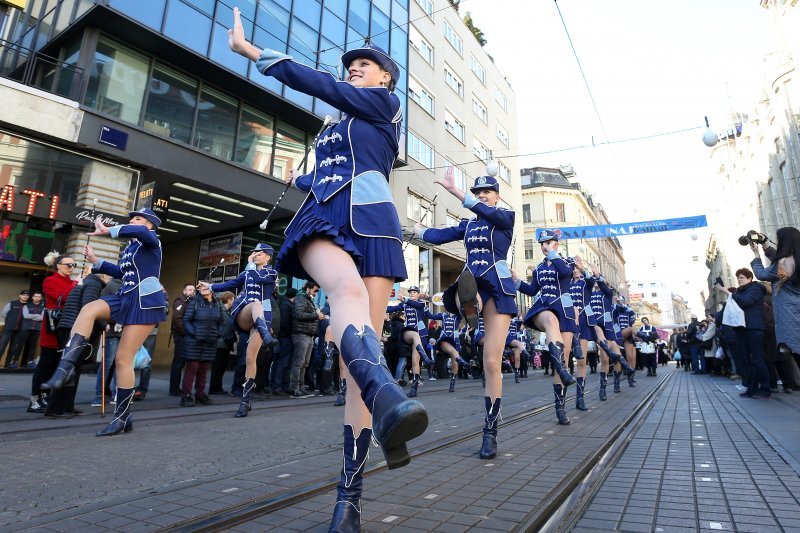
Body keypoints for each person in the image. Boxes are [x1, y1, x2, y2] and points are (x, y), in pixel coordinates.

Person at [229, 13, 428, 531]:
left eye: (366, 65)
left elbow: (321, 84)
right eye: (353, 66)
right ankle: (389, 397)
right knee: (343, 294)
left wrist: (257, 54)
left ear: (385, 78)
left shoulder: (385, 104)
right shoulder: (336, 124)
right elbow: (320, 176)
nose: (356, 69)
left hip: (374, 223)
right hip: (325, 217)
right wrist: (299, 179)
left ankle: (350, 496)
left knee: (357, 369)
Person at [415, 167, 517, 458]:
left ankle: (490, 430)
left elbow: (492, 215)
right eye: (477, 192)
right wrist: (412, 229)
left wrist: (456, 192)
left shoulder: (504, 219)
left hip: (498, 287)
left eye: (487, 192)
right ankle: (469, 310)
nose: (482, 195)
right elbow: (438, 235)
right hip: (475, 282)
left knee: (492, 364)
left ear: (497, 196)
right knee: (465, 290)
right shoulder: (469, 225)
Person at [42, 208, 168, 437]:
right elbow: (122, 272)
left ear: (150, 224)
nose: (132, 221)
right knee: (89, 308)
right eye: (131, 219)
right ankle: (66, 367)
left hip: (145, 302)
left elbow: (139, 233)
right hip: (126, 296)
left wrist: (108, 229)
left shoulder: (152, 241)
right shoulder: (132, 247)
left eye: (138, 218)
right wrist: (95, 261)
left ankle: (122, 417)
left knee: (122, 360)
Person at [199, 243, 277, 417]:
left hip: (262, 318)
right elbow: (231, 283)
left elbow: (259, 278)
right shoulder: (248, 271)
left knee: (250, 359)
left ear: (268, 257)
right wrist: (210, 287)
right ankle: (266, 334)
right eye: (253, 252)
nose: (255, 254)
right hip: (246, 313)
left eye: (259, 252)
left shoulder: (271, 272)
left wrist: (250, 266)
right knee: (255, 303)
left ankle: (245, 400)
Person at [515, 230, 576, 425]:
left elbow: (566, 274)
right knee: (549, 320)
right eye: (542, 243)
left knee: (563, 361)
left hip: (564, 310)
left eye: (548, 242)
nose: (544, 245)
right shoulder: (539, 268)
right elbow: (532, 290)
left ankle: (560, 407)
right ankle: (560, 367)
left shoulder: (566, 262)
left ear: (556, 244)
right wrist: (516, 281)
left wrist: (553, 255)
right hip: (544, 307)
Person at [46, 266, 109, 418]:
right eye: (110, 276)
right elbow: (88, 308)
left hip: (69, 326)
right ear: (104, 276)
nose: (111, 279)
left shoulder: (87, 282)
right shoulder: (94, 284)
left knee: (73, 368)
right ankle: (56, 408)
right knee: (70, 367)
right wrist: (103, 324)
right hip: (74, 328)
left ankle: (67, 406)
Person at [751, 227, 800, 389]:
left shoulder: (783, 263)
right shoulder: (794, 259)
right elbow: (781, 264)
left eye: (778, 240)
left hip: (789, 314)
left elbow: (763, 274)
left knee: (795, 350)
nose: (777, 243)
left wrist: (757, 256)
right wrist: (766, 245)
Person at [28, 253, 76, 413]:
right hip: (52, 328)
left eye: (73, 265)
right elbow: (62, 297)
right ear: (59, 265)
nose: (71, 268)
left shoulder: (72, 282)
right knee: (45, 365)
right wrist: (77, 284)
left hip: (66, 328)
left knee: (56, 365)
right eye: (69, 265)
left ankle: (47, 396)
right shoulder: (50, 281)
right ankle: (35, 398)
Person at [727, 268, 771, 399]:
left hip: (754, 328)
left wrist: (728, 293)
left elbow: (745, 301)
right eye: (738, 278)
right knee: (745, 360)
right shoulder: (740, 292)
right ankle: (751, 388)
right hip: (741, 329)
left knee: (758, 360)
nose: (739, 280)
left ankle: (765, 389)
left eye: (742, 277)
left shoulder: (756, 289)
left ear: (749, 278)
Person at [180, 283, 224, 406]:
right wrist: (194, 333)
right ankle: (186, 396)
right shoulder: (194, 302)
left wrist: (218, 333)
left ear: (211, 289)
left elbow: (221, 322)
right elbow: (186, 320)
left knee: (204, 370)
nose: (202, 289)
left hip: (210, 342)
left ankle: (200, 395)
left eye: (205, 287)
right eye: (200, 288)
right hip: (194, 341)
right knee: (192, 368)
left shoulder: (217, 304)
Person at [386, 286, 435, 397]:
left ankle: (414, 389)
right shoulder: (405, 303)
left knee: (414, 362)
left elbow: (423, 310)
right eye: (410, 292)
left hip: (420, 334)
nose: (412, 293)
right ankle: (425, 357)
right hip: (408, 332)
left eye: (414, 292)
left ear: (418, 294)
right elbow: (391, 309)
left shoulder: (422, 303)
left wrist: (442, 316)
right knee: (414, 335)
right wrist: (378, 306)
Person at [569, 256, 595, 410]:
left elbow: (592, 282)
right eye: (574, 267)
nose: (575, 269)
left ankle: (580, 397)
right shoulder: (566, 283)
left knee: (582, 360)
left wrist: (584, 269)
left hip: (583, 321)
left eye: (577, 267)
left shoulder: (585, 282)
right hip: (568, 320)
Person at [290, 280, 323, 398]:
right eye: (315, 290)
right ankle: (295, 388)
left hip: (308, 334)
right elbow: (299, 315)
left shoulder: (307, 299)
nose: (316, 293)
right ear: (308, 288)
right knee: (299, 362)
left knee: (305, 363)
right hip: (301, 334)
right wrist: (316, 315)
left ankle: (301, 387)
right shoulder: (300, 298)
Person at [169, 283, 196, 396]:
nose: (192, 292)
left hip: (187, 336)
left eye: (194, 290)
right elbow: (177, 319)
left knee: (185, 363)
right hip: (182, 337)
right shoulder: (180, 301)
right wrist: (186, 333)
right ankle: (174, 389)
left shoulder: (192, 302)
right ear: (184, 291)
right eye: (189, 290)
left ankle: (181, 388)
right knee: (178, 363)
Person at [209, 291, 236, 395]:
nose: (234, 301)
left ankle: (217, 388)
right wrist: (224, 336)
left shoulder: (227, 311)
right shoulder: (220, 310)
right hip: (220, 343)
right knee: (218, 367)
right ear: (229, 300)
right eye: (233, 299)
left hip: (225, 343)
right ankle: (214, 388)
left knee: (222, 366)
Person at [1, 290, 30, 368]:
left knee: (13, 348)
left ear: (28, 297)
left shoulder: (28, 306)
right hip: (8, 328)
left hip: (20, 330)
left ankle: (7, 364)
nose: (25, 296)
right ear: (20, 296)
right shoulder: (12, 303)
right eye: (23, 295)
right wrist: (10, 321)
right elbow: (3, 313)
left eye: (27, 295)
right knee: (2, 346)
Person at [18, 291, 44, 368]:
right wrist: (37, 315)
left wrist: (32, 316)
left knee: (32, 346)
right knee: (20, 345)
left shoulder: (43, 308)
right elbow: (25, 316)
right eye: (35, 296)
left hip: (36, 329)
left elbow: (42, 317)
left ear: (41, 298)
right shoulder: (27, 305)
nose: (37, 298)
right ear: (32, 297)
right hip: (26, 328)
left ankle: (30, 362)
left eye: (39, 297)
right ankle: (15, 361)